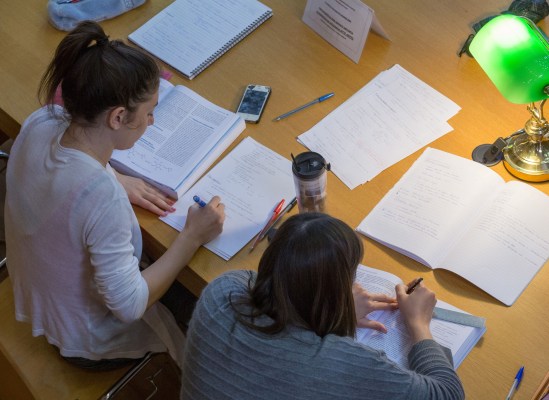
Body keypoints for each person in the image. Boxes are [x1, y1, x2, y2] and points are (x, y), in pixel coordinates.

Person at [4, 21, 225, 369]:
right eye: (149, 112)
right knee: (213, 301)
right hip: (84, 338)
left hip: (40, 294)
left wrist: (115, 176)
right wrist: (191, 237)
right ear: (118, 117)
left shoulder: (42, 121)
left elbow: (63, 176)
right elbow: (129, 304)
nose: (152, 121)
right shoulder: (101, 198)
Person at [180, 212, 465, 400]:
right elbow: (448, 394)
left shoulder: (223, 290)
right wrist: (418, 325)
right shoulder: (341, 362)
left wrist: (331, 309)